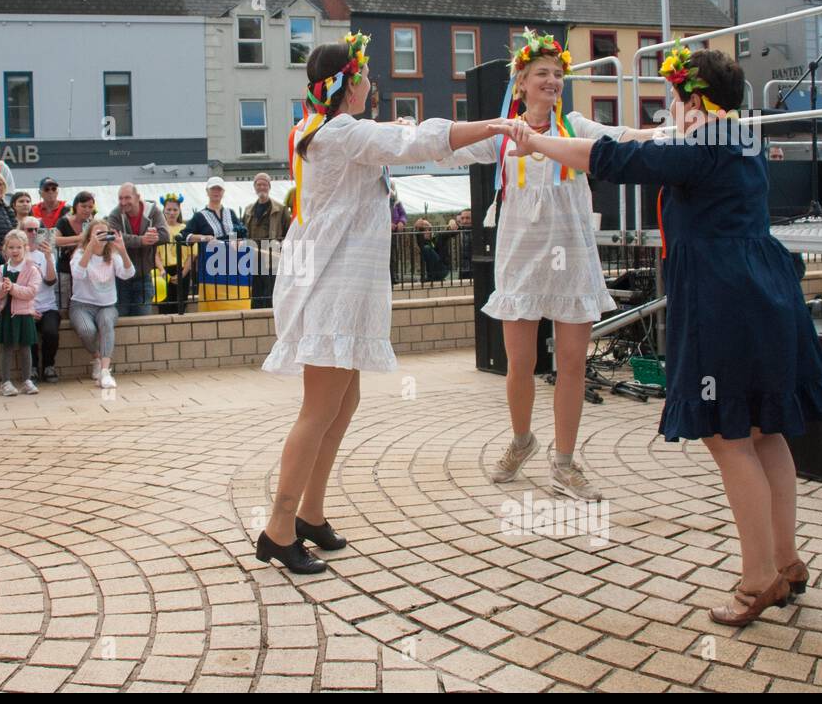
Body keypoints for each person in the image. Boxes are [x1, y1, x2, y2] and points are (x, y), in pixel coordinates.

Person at [496, 45, 822, 626]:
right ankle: (787, 563)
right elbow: (641, 146)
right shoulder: (736, 140)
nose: (670, 111)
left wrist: (535, 142)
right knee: (766, 432)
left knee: (728, 436)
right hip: (765, 293)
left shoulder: (699, 150)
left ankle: (759, 577)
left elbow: (609, 157)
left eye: (675, 99)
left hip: (726, 299)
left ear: (695, 100)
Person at [256, 32, 510, 574]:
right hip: (332, 289)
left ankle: (310, 515)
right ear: (349, 84)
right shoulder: (341, 132)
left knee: (341, 406)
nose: (373, 84)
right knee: (318, 410)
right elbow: (417, 141)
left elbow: (428, 143)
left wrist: (506, 138)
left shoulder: (332, 130)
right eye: (367, 76)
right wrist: (496, 126)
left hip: (343, 288)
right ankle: (277, 530)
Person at [442, 28, 658, 501]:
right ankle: (522, 440)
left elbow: (624, 137)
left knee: (572, 364)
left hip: (573, 258)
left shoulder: (576, 127)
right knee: (520, 363)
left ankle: (564, 462)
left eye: (558, 74)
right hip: (521, 258)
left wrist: (670, 132)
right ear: (520, 83)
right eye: (542, 73)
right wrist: (404, 131)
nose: (553, 81)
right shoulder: (501, 133)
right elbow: (449, 143)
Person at [70, 219, 133, 389]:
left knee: (106, 323)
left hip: (107, 305)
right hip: (82, 304)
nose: (102, 237)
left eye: (105, 233)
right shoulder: (79, 254)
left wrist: (122, 250)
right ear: (89, 236)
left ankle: (105, 371)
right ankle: (96, 356)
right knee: (87, 330)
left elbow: (128, 273)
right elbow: (77, 274)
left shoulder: (112, 255)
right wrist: (90, 248)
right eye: (97, 233)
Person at [185, 177, 250, 311]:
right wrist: (203, 238)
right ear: (207, 191)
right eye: (213, 189)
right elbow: (184, 235)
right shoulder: (199, 216)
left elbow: (240, 231)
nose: (216, 192)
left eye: (219, 189)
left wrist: (237, 239)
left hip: (233, 266)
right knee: (214, 301)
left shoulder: (230, 213)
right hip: (212, 267)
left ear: (223, 192)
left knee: (234, 301)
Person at [105, 183, 169, 317]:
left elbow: (165, 235)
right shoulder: (115, 214)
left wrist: (152, 237)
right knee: (121, 318)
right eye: (120, 198)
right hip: (121, 277)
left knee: (143, 318)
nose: (123, 202)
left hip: (144, 275)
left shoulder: (153, 211)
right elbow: (113, 236)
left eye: (127, 198)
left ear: (137, 197)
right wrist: (141, 240)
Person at [0, 228, 41, 396]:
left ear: (25, 248)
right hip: (7, 313)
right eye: (11, 247)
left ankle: (27, 380)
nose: (15, 251)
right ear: (6, 249)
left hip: (24, 314)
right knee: (7, 347)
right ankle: (5, 382)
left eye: (18, 247)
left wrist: (12, 287)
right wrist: (3, 288)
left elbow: (31, 292)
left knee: (25, 347)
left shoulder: (32, 270)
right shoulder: (2, 270)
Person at [242, 172, 292, 310]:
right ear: (254, 187)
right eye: (258, 184)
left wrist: (281, 246)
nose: (261, 187)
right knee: (256, 291)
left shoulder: (281, 209)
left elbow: (289, 232)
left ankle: (272, 316)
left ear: (269, 187)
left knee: (271, 289)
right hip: (254, 255)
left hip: (272, 256)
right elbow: (243, 231)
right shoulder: (248, 210)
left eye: (264, 184)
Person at [22, 216, 61, 383]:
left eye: (37, 230)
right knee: (29, 331)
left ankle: (48, 366)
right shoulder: (18, 253)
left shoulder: (47, 253)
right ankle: (32, 367)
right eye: (29, 230)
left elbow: (51, 281)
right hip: (25, 305)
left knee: (51, 332)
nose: (33, 233)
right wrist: (29, 308)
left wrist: (48, 258)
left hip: (47, 306)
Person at [54, 190, 94, 310]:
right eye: (83, 206)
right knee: (64, 303)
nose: (87, 209)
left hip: (85, 269)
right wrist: (79, 238)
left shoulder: (92, 224)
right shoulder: (64, 221)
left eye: (90, 207)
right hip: (65, 268)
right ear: (76, 206)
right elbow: (55, 240)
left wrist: (77, 242)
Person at [155, 194, 188, 315]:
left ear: (179, 211)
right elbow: (155, 254)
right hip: (164, 270)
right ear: (163, 211)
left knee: (180, 307)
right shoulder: (159, 229)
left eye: (175, 209)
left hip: (182, 270)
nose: (172, 213)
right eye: (168, 210)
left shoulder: (185, 228)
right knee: (164, 307)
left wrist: (183, 274)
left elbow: (192, 254)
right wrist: (162, 270)